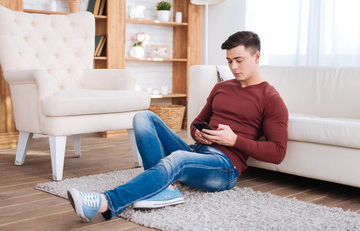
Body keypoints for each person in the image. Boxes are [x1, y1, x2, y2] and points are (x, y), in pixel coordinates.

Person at [67, 31, 289, 222]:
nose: (233, 67)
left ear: (256, 56)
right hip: (197, 151)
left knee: (178, 159)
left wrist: (235, 141)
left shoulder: (270, 98)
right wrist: (198, 134)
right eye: (229, 60)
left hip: (224, 167)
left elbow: (278, 152)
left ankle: (105, 202)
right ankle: (164, 190)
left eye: (239, 60)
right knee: (143, 117)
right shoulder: (222, 87)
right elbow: (194, 124)